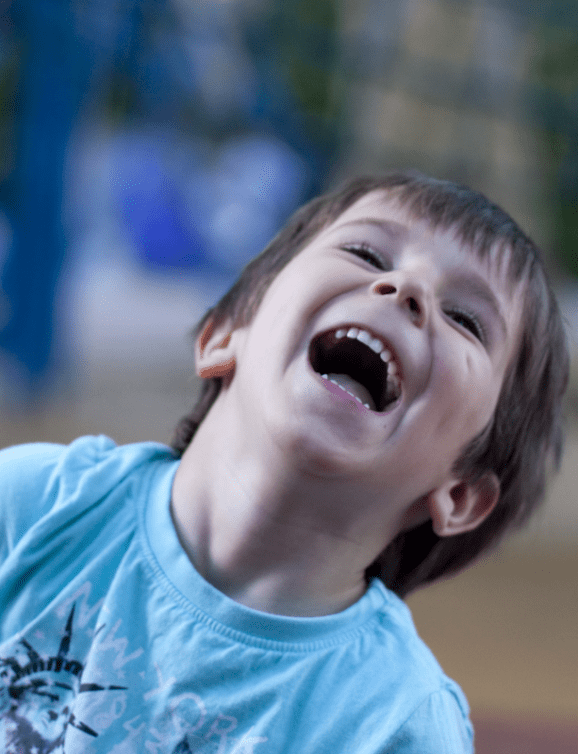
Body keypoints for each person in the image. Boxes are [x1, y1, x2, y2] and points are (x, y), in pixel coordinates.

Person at [0, 172, 568, 753]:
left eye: (466, 320)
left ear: (462, 493)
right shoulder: (32, 508)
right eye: (366, 253)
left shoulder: (397, 726)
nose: (405, 288)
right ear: (225, 333)